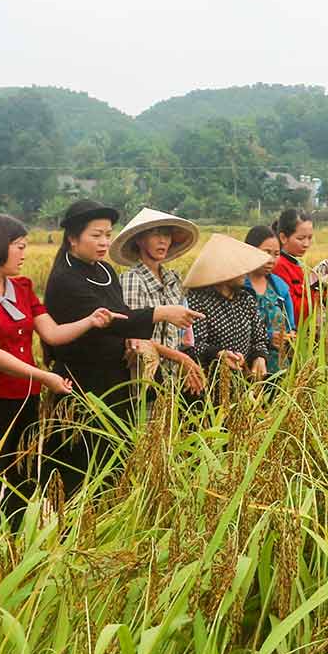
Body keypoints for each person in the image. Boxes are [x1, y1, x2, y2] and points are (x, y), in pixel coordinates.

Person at [0, 215, 122, 527]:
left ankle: (17, 550)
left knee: (25, 479)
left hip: (26, 400)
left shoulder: (22, 287)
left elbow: (52, 334)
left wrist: (90, 321)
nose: (24, 254)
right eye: (19, 247)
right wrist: (44, 377)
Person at [42, 201, 205, 487]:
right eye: (96, 235)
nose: (104, 242)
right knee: (81, 469)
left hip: (116, 383)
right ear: (72, 238)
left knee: (114, 466)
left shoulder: (105, 271)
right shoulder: (64, 279)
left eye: (108, 234)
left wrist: (135, 338)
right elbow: (113, 320)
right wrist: (162, 312)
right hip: (82, 386)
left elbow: (124, 320)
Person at [181, 234, 276, 395]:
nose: (245, 272)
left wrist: (259, 357)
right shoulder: (198, 301)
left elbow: (259, 339)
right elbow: (194, 345)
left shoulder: (246, 299)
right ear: (222, 270)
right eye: (238, 268)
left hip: (243, 385)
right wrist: (218, 354)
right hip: (208, 386)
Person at [114, 208, 200, 385]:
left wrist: (184, 359)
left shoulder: (173, 280)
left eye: (167, 235)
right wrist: (181, 358)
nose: (163, 240)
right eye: (155, 234)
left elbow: (178, 336)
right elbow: (135, 339)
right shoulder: (132, 280)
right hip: (146, 379)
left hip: (173, 378)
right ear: (139, 240)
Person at [243, 225, 297, 372]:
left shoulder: (280, 287)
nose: (272, 259)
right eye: (266, 252)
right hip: (247, 365)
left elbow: (291, 324)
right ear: (250, 250)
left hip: (279, 366)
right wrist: (268, 337)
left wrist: (290, 335)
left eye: (277, 254)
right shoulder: (238, 285)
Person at [272, 208, 314, 327]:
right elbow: (295, 312)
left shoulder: (296, 264)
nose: (306, 244)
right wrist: (319, 289)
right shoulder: (278, 265)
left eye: (310, 238)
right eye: (300, 238)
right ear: (283, 237)